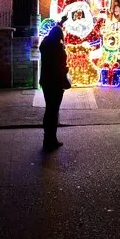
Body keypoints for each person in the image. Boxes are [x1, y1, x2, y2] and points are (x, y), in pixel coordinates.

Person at [39, 15, 70, 152]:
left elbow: (53, 32)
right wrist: (66, 69)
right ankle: (52, 140)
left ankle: (47, 138)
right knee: (54, 111)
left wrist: (60, 22)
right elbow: (61, 67)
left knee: (48, 109)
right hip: (56, 83)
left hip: (46, 82)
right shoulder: (58, 49)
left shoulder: (45, 45)